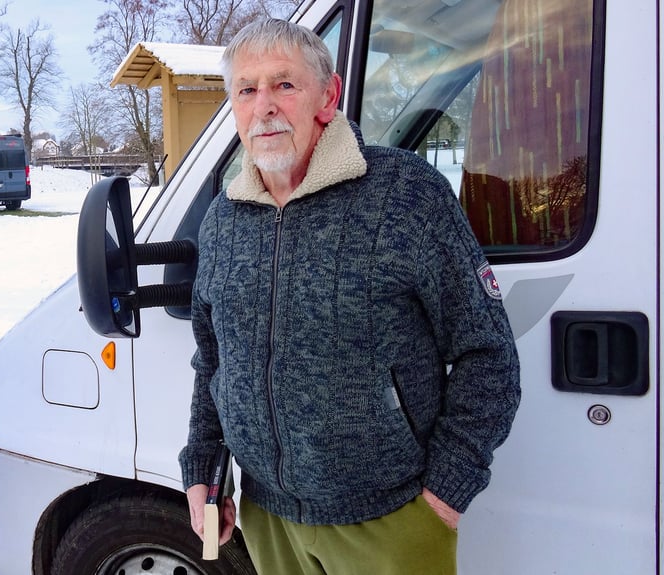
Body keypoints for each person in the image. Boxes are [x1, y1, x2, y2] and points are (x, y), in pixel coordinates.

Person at [178, 17, 520, 575]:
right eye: (247, 89)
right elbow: (213, 361)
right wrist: (203, 467)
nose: (263, 105)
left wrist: (442, 499)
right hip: (268, 519)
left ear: (327, 96)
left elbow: (489, 354)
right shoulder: (223, 219)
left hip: (391, 521)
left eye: (284, 84)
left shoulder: (405, 195)